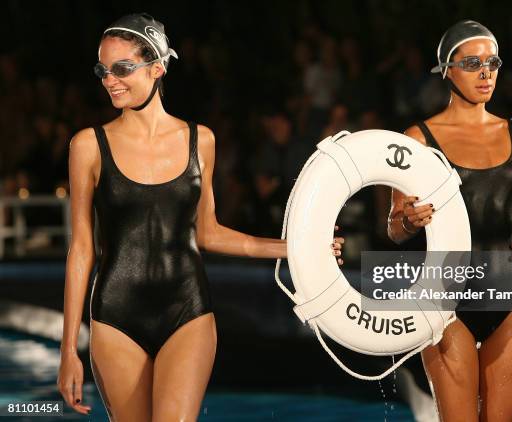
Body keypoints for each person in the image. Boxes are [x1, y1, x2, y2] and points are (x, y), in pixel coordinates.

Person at [56, 13, 343, 420]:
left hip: (186, 309)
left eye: (122, 68)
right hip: (115, 314)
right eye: (102, 70)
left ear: (157, 67)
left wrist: (298, 247)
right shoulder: (88, 145)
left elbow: (209, 234)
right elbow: (81, 249)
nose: (109, 80)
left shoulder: (199, 139)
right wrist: (68, 349)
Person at [387, 20, 512, 421]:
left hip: (511, 293)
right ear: (447, 70)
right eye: (472, 63)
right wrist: (411, 222)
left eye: (493, 62)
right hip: (445, 299)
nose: (486, 73)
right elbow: (394, 227)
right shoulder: (417, 138)